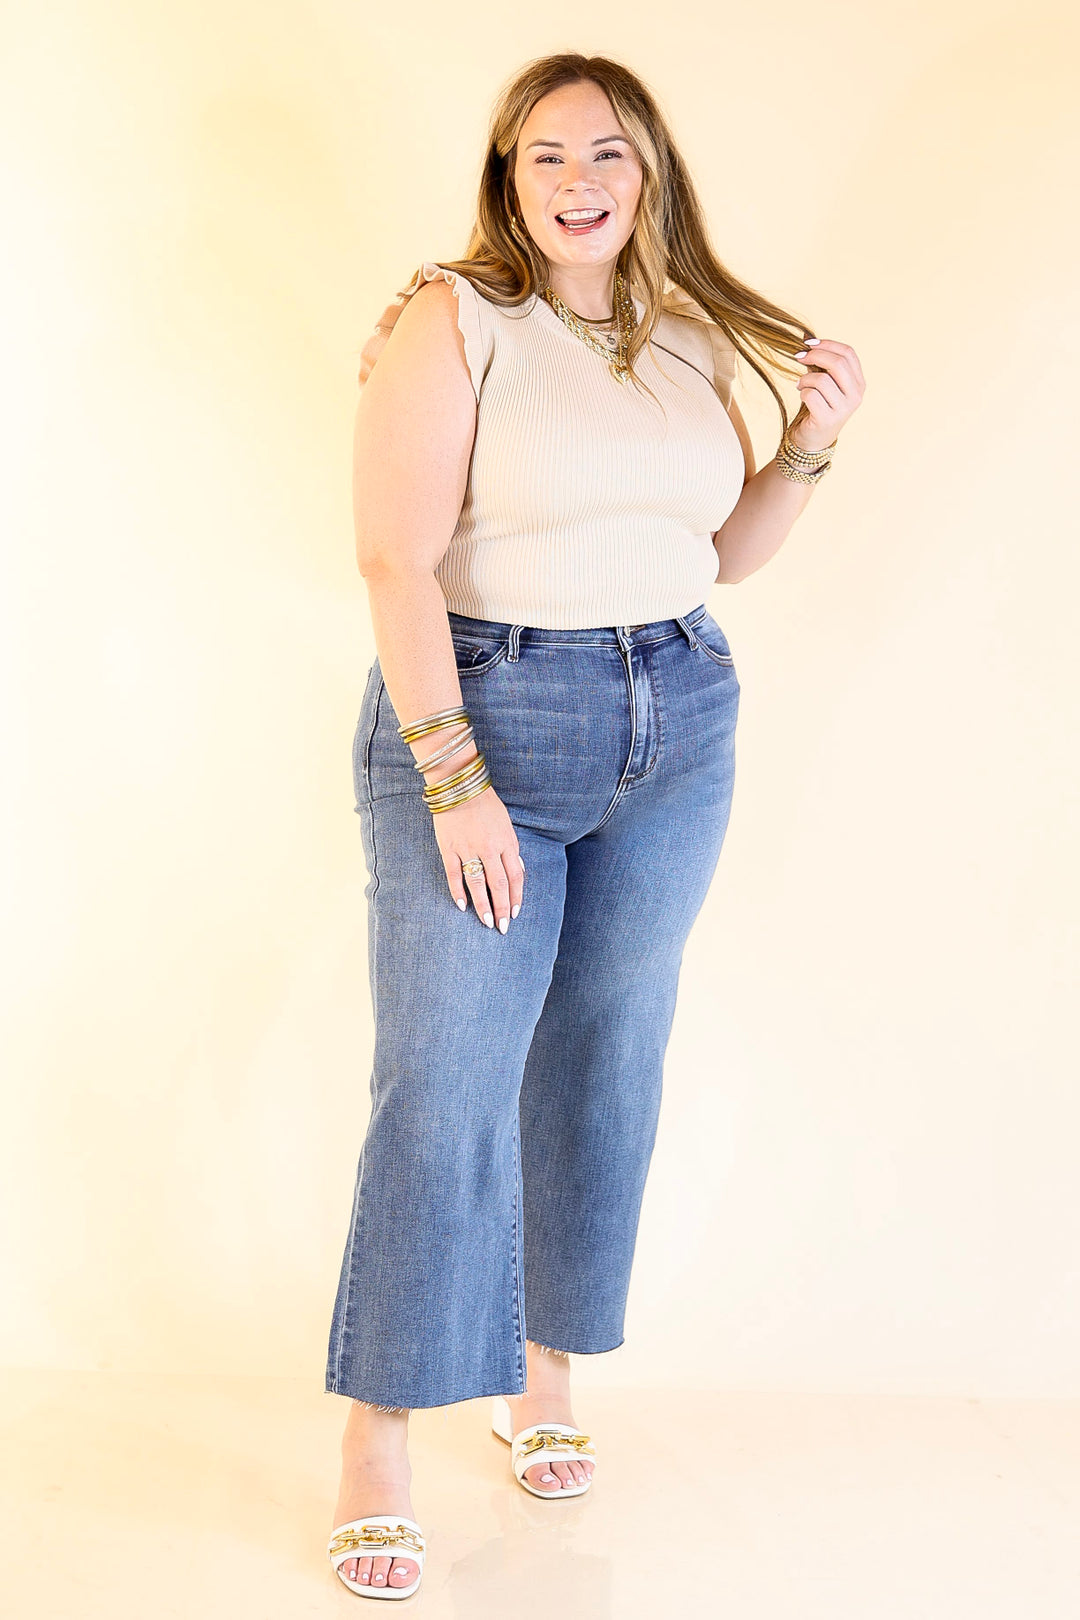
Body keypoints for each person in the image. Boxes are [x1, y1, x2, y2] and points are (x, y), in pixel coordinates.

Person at [324, 51, 865, 1598]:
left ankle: (544, 1373)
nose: (576, 181)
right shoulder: (452, 320)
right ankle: (381, 1432)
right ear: (507, 179)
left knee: (605, 1061)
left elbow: (728, 551)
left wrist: (813, 442)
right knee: (445, 1082)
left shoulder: (686, 334)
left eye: (606, 155)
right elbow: (391, 561)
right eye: (544, 155)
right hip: (485, 712)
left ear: (649, 176)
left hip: (677, 717)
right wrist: (450, 775)